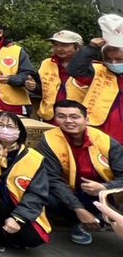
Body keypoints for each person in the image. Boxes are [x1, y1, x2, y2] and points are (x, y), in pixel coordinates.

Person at [37, 101, 123, 245]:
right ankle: (80, 220)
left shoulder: (107, 142)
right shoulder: (49, 141)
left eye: (74, 117)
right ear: (55, 119)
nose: (68, 121)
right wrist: (78, 208)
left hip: (101, 195)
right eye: (61, 116)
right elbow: (53, 179)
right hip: (66, 194)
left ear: (86, 119)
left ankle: (99, 218)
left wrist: (104, 187)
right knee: (42, 191)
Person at [0, 110, 51, 250]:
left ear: (19, 130)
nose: (4, 129)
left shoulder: (33, 158)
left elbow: (37, 194)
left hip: (16, 202)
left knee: (32, 238)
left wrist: (18, 218)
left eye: (10, 126)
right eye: (0, 125)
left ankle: (8, 232)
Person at [67, 15, 123, 143]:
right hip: (99, 131)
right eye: (109, 59)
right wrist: (91, 48)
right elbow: (75, 70)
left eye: (119, 59)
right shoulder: (98, 72)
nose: (113, 63)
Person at [36, 30, 87, 121]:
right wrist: (33, 86)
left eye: (64, 45)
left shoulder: (89, 67)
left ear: (78, 47)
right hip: (50, 116)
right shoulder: (47, 63)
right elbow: (43, 88)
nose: (59, 49)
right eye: (56, 45)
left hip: (77, 117)